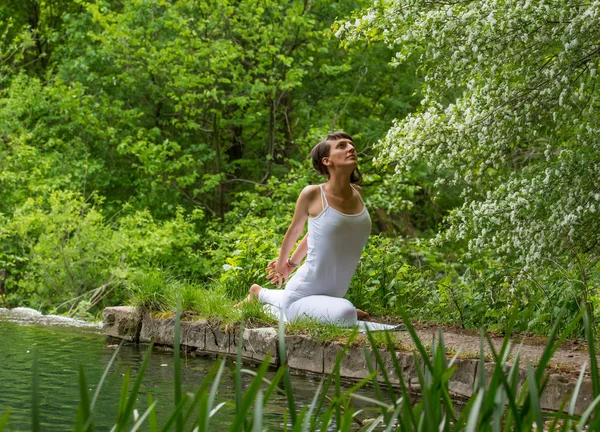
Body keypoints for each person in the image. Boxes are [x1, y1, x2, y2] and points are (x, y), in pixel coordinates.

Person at [239, 132, 371, 325]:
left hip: (332, 293)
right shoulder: (313, 194)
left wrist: (293, 262)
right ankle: (267, 298)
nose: (351, 148)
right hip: (303, 291)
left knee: (344, 310)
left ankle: (259, 293)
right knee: (345, 312)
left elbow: (317, 232)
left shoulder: (357, 193)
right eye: (342, 146)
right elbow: (294, 231)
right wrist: (282, 265)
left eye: (351, 145)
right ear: (327, 161)